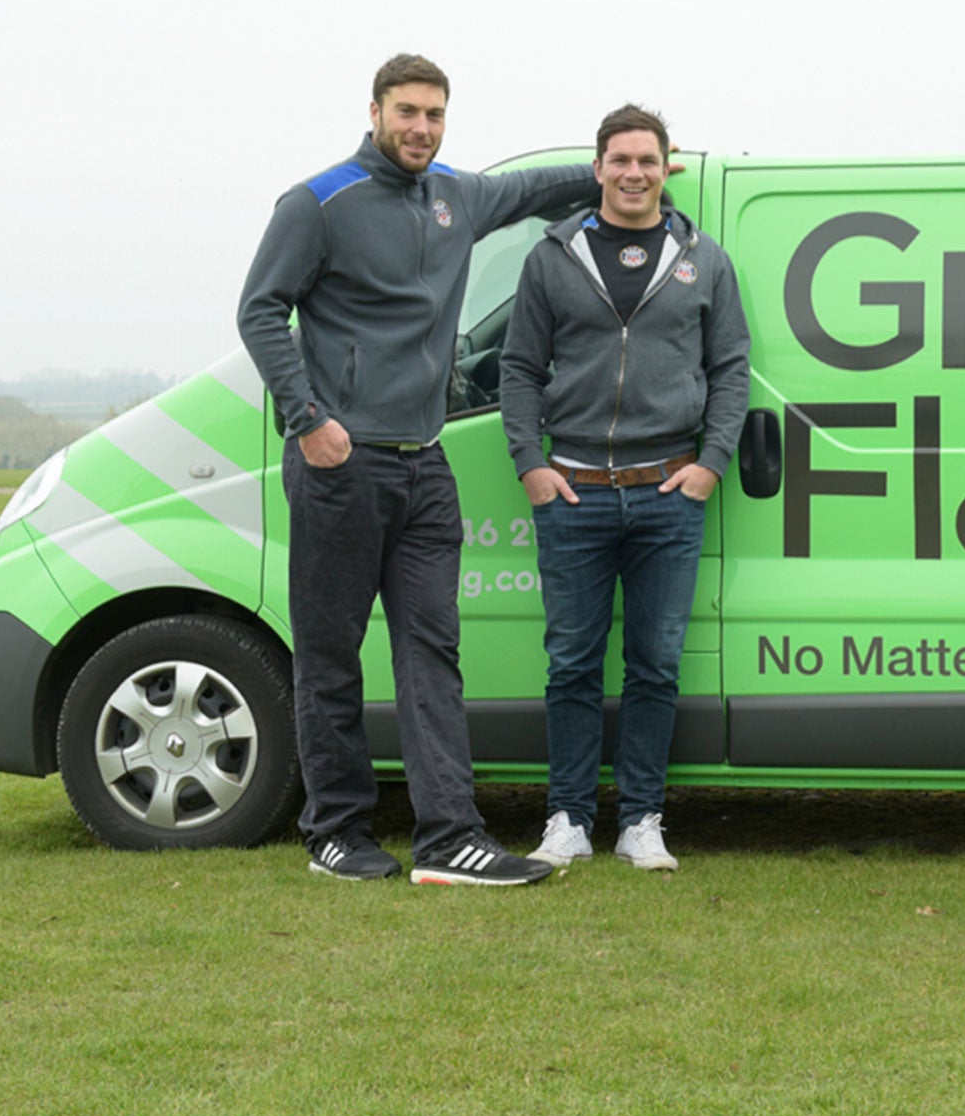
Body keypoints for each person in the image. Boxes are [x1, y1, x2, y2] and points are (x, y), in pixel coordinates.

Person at [237, 53, 600, 886]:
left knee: (432, 651)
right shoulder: (318, 203)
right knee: (330, 656)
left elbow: (538, 189)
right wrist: (310, 420)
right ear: (374, 112)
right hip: (341, 467)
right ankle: (335, 831)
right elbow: (259, 309)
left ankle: (450, 837)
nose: (422, 129)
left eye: (435, 115)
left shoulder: (456, 197)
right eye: (407, 112)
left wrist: (614, 166)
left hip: (425, 469)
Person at [499, 103, 751, 873]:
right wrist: (529, 464)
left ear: (665, 166)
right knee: (572, 662)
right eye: (620, 160)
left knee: (655, 662)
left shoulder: (703, 259)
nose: (634, 174)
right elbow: (517, 369)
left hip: (666, 494)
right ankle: (568, 819)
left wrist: (709, 464)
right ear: (599, 167)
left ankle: (642, 819)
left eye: (648, 160)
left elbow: (731, 369)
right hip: (572, 490)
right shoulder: (553, 256)